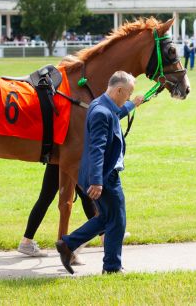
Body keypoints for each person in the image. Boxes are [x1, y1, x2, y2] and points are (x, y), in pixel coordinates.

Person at [56, 71, 144, 275]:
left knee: (107, 218)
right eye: (129, 94)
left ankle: (68, 244)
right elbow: (97, 149)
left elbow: (115, 114)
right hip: (104, 176)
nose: (129, 97)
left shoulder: (101, 105)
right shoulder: (101, 113)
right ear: (119, 89)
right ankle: (112, 268)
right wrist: (97, 181)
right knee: (117, 220)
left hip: (101, 174)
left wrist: (134, 105)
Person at [18, 163, 97, 260]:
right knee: (86, 197)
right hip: (65, 159)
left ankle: (27, 240)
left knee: (45, 198)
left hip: (59, 158)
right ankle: (27, 241)